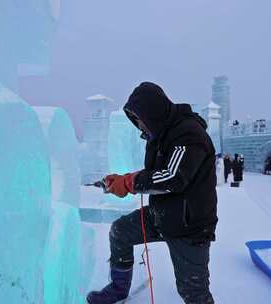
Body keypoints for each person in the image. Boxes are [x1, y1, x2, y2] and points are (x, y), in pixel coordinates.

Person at [86, 82, 217, 304]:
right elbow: (154, 173)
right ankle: (119, 288)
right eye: (135, 120)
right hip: (163, 214)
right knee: (120, 232)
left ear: (153, 113)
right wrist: (123, 179)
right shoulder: (160, 135)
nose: (139, 126)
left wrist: (129, 183)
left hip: (190, 226)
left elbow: (173, 177)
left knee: (193, 293)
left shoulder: (189, 134)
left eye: (140, 119)